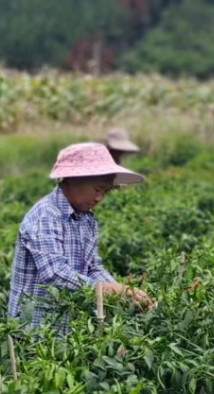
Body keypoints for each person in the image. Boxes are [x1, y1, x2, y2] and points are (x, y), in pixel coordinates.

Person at [8, 142, 152, 331]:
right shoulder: (46, 215)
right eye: (97, 189)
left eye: (105, 192)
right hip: (34, 330)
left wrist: (124, 293)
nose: (100, 198)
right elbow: (55, 273)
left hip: (67, 326)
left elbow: (92, 267)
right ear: (73, 180)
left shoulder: (87, 219)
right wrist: (113, 290)